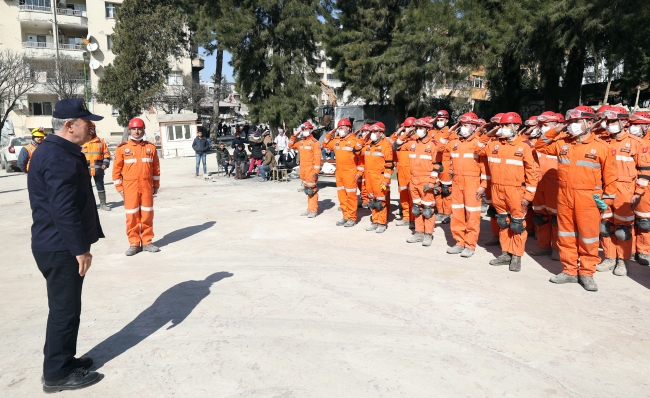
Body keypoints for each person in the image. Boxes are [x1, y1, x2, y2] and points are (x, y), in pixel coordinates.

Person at [28, 98, 104, 393]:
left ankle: (63, 360)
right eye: (87, 121)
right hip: (60, 247)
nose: (91, 126)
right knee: (64, 310)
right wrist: (79, 249)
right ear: (70, 126)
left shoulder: (57, 150)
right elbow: (63, 208)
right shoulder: (58, 156)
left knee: (67, 308)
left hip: (57, 244)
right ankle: (56, 374)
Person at [535, 106, 616, 291]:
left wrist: (607, 203)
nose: (572, 126)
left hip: (589, 199)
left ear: (588, 123)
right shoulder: (564, 143)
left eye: (576, 122)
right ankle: (570, 271)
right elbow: (540, 145)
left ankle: (587, 273)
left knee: (588, 238)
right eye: (570, 122)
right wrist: (558, 128)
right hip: (564, 197)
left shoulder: (602, 147)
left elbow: (611, 178)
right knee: (566, 236)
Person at [475, 112, 539, 272]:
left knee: (517, 225)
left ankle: (516, 256)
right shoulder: (494, 144)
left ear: (516, 127)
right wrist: (490, 131)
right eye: (500, 126)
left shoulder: (524, 146)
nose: (501, 129)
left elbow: (533, 173)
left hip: (516, 192)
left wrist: (528, 196)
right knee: (503, 223)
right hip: (498, 191)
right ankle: (506, 253)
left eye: (505, 126)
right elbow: (478, 149)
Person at [596, 106, 647, 277]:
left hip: (626, 192)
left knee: (623, 229)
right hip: (605, 190)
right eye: (608, 122)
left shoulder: (637, 143)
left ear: (624, 122)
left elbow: (644, 170)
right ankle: (609, 258)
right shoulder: (602, 141)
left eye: (613, 121)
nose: (609, 125)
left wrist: (638, 193)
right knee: (605, 226)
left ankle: (622, 261)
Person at [112, 117, 161, 256]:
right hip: (130, 188)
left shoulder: (150, 148)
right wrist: (120, 188)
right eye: (134, 129)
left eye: (139, 129)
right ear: (129, 130)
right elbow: (116, 171)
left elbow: (155, 168)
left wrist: (156, 185)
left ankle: (147, 242)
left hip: (146, 187)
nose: (137, 131)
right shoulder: (122, 148)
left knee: (147, 214)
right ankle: (134, 243)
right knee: (132, 215)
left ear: (143, 130)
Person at [443, 112, 487, 257]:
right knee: (457, 214)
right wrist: (450, 170)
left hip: (472, 183)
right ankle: (459, 242)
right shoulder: (456, 142)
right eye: (461, 125)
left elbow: (485, 166)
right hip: (457, 182)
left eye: (466, 125)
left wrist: (483, 185)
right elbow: (442, 147)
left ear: (474, 127)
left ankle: (470, 245)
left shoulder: (479, 143)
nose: (463, 128)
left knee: (472, 215)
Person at [397, 118, 442, 246]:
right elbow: (396, 144)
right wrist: (408, 132)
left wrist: (433, 181)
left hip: (426, 180)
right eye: (417, 128)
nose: (418, 131)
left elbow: (437, 165)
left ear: (427, 129)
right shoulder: (412, 143)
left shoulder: (433, 145)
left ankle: (428, 234)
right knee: (417, 208)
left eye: (421, 128)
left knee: (428, 209)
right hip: (413, 180)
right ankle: (418, 232)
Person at [529, 111, 561, 260]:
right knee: (540, 217)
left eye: (546, 125)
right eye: (541, 125)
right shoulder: (536, 142)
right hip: (538, 184)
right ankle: (543, 246)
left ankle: (556, 248)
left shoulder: (563, 142)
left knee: (556, 219)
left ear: (555, 125)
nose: (542, 128)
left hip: (554, 185)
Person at [322, 118, 364, 227]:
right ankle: (345, 216)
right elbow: (325, 144)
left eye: (342, 128)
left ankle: (352, 217)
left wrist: (359, 173)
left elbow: (361, 159)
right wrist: (332, 132)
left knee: (351, 196)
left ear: (349, 129)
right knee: (342, 195)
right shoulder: (337, 141)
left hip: (350, 172)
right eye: (339, 128)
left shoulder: (355, 141)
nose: (340, 130)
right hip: (339, 172)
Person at [358, 122, 394, 233]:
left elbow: (389, 166)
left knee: (380, 201)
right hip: (369, 179)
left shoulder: (386, 146)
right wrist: (363, 138)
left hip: (380, 179)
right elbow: (357, 151)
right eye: (371, 131)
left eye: (375, 132)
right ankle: (374, 221)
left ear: (381, 133)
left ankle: (381, 223)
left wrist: (386, 181)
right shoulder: (368, 146)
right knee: (372, 201)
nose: (372, 134)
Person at [289, 121, 321, 217]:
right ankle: (309, 209)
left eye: (306, 129)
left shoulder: (315, 142)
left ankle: (313, 210)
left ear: (311, 130)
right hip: (303, 169)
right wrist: (297, 133)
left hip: (311, 170)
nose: (305, 131)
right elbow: (290, 145)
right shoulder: (301, 142)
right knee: (307, 190)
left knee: (312, 190)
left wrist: (316, 171)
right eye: (303, 129)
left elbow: (318, 157)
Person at [630, 111, 650, 265]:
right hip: (629, 184)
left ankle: (643, 252)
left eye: (637, 125)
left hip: (646, 185)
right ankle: (630, 250)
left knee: (644, 221)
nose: (633, 127)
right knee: (629, 219)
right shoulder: (631, 141)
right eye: (632, 124)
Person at [391, 117, 416, 228]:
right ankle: (406, 217)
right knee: (403, 196)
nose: (407, 129)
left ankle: (413, 219)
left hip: (411, 171)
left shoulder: (416, 139)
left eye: (409, 127)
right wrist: (401, 131)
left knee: (413, 197)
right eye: (406, 127)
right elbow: (392, 143)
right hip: (401, 171)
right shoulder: (401, 139)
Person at [81, 122, 111, 211]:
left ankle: (103, 204)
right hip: (86, 170)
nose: (91, 131)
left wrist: (105, 164)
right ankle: (87, 206)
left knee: (100, 187)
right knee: (86, 189)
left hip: (99, 169)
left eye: (92, 128)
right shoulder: (81, 141)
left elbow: (106, 154)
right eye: (88, 129)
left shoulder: (100, 141)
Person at [430, 110, 453, 223]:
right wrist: (432, 121)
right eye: (438, 120)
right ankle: (440, 211)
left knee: (446, 191)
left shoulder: (451, 133)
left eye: (441, 120)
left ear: (447, 120)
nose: (439, 122)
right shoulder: (432, 132)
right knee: (437, 190)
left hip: (446, 163)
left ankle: (447, 213)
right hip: (434, 164)